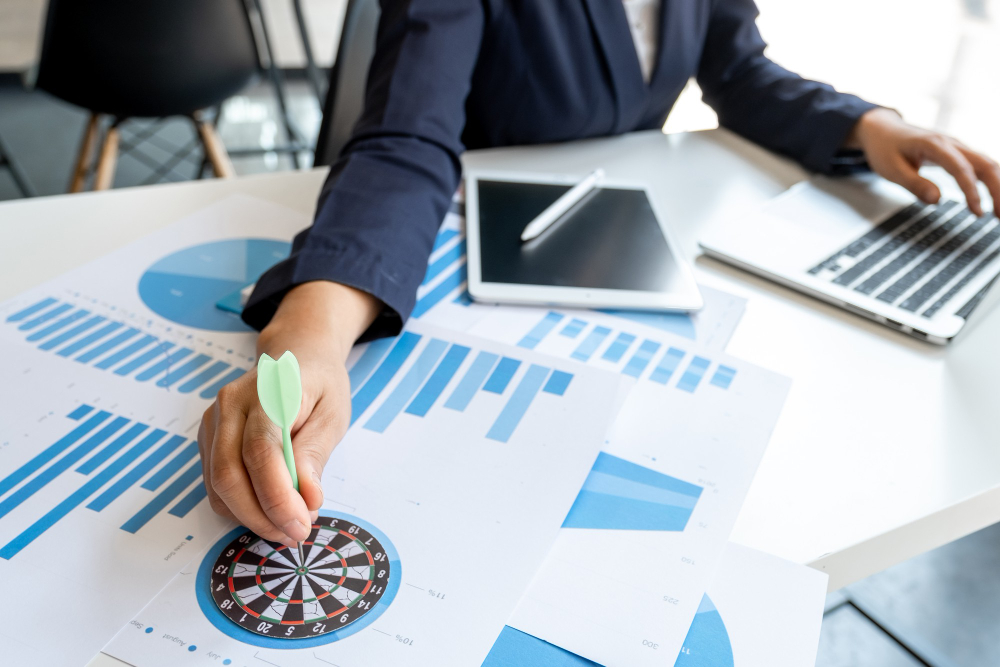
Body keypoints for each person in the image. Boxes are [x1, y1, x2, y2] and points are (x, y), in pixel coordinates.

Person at [198, 0, 1000, 547]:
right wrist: (314, 329)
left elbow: (739, 68)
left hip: (625, 262)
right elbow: (408, 137)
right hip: (468, 260)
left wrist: (867, 124)